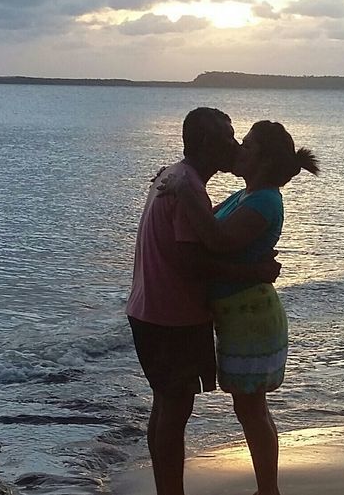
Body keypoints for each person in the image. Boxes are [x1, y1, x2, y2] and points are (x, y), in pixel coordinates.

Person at [126, 107, 282, 495]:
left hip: (159, 308)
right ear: (207, 144)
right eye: (230, 138)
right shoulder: (186, 184)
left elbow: (208, 243)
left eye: (241, 140)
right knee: (173, 409)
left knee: (169, 407)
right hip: (171, 313)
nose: (234, 145)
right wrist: (255, 272)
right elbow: (196, 258)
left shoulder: (180, 179)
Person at [164, 120, 319, 495]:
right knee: (250, 408)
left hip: (251, 316)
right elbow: (204, 226)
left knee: (251, 409)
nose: (238, 150)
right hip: (239, 314)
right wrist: (179, 187)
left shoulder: (264, 200)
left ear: (264, 162)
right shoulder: (246, 194)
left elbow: (216, 240)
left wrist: (185, 191)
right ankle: (268, 489)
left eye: (247, 146)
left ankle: (269, 490)